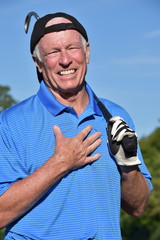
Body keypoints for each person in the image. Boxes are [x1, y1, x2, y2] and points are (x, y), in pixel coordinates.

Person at [0, 12, 152, 240]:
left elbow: (138, 208)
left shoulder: (116, 116)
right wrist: (60, 163)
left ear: (87, 52)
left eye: (72, 48)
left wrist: (128, 164)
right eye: (53, 52)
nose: (65, 60)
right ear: (38, 63)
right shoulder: (10, 123)